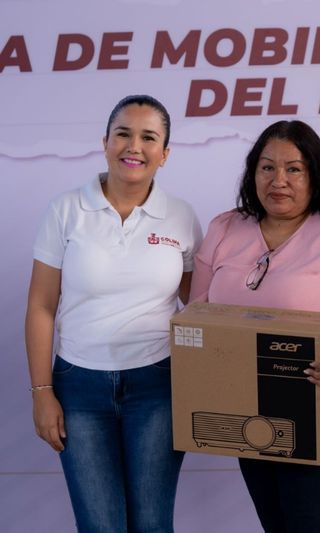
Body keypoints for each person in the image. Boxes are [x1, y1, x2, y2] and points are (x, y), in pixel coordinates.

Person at [189, 119, 320, 532]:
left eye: (293, 169)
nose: (278, 180)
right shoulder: (224, 228)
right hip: (250, 415)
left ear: (315, 175)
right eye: (267, 168)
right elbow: (199, 314)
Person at [25, 94, 202, 532]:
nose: (133, 147)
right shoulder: (66, 210)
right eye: (123, 134)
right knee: (100, 525)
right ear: (105, 141)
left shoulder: (180, 216)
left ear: (165, 153)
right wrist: (42, 392)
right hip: (79, 388)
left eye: (148, 137)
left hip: (158, 386)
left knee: (152, 523)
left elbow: (199, 306)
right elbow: (41, 306)